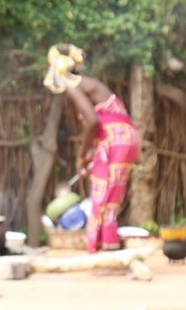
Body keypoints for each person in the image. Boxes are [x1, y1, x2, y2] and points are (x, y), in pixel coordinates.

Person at [42, 44, 141, 252]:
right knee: (111, 196)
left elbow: (92, 121)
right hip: (126, 137)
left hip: (113, 140)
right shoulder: (88, 83)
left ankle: (100, 249)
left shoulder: (73, 85)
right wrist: (90, 153)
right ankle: (109, 246)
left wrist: (81, 154)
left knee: (101, 194)